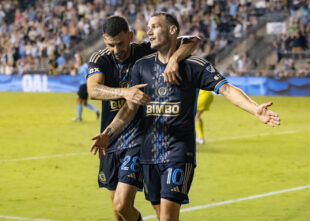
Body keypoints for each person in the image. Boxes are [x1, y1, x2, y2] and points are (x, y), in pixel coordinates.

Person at [90, 12, 280, 221]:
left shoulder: (193, 65)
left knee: (167, 218)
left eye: (155, 26)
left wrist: (255, 109)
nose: (149, 31)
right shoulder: (141, 66)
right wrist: (108, 132)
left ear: (172, 30)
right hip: (149, 154)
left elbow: (226, 89)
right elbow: (129, 108)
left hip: (178, 152)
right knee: (142, 212)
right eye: (148, 27)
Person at [86, 16, 200, 221]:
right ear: (104, 40)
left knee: (124, 203)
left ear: (130, 36)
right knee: (118, 211)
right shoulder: (100, 58)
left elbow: (193, 40)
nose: (116, 49)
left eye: (120, 43)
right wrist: (125, 92)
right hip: (112, 136)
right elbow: (93, 90)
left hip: (139, 137)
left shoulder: (145, 49)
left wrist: (174, 59)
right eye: (110, 45)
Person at [72, 53, 99, 121]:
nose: (77, 60)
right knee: (84, 103)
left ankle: (79, 118)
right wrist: (75, 68)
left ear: (81, 59)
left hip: (84, 85)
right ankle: (96, 111)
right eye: (76, 59)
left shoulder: (84, 66)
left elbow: (87, 76)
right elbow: (75, 74)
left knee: (78, 100)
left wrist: (88, 85)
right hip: (83, 85)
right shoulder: (80, 67)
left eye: (78, 59)